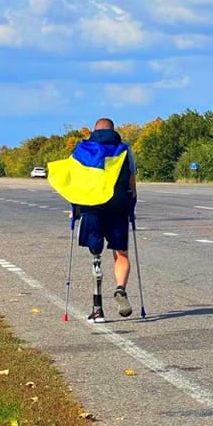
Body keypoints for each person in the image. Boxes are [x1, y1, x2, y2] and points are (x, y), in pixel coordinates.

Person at [72, 118, 137, 321]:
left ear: (94, 131)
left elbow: (76, 182)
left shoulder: (82, 149)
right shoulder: (125, 150)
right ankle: (120, 289)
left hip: (92, 208)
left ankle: (97, 308)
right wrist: (130, 208)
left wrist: (75, 210)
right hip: (117, 209)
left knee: (96, 255)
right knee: (121, 254)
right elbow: (132, 185)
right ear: (113, 130)